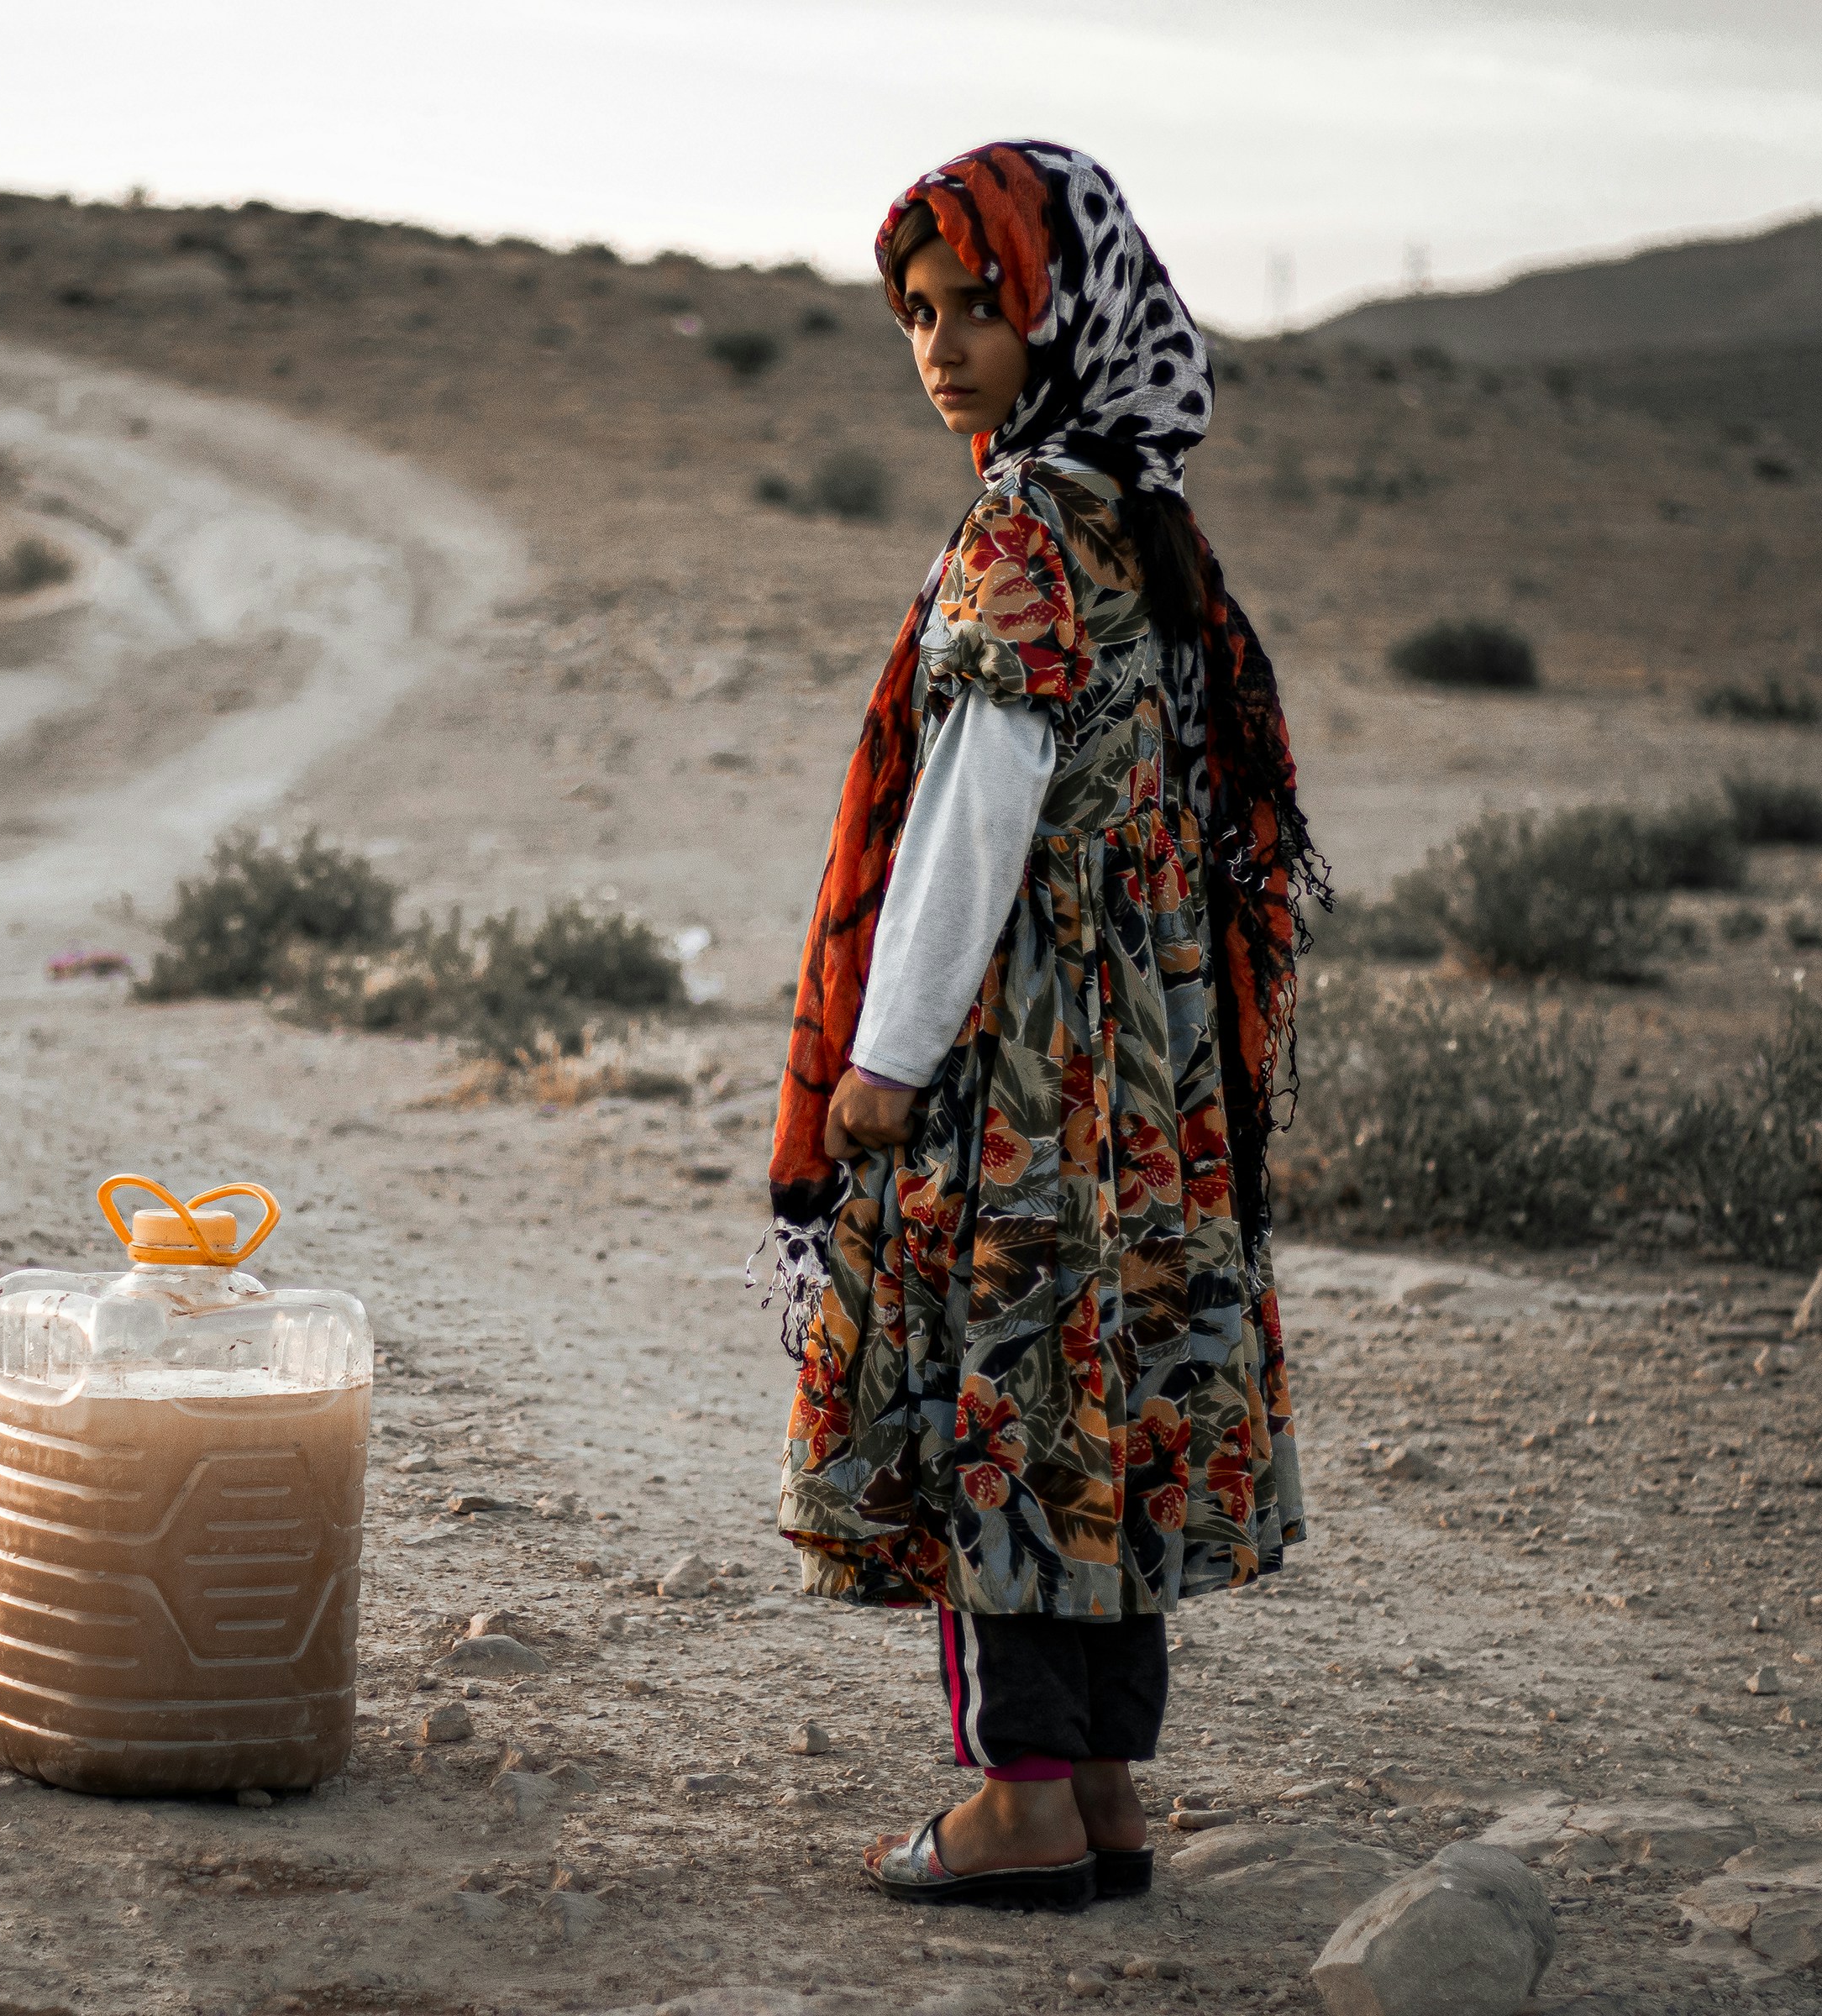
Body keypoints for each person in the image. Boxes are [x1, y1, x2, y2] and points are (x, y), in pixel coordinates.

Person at [757, 141, 1327, 1908]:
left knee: (999, 1385)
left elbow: (972, 818)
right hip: (1146, 1082)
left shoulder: (1021, 527)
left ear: (1061, 309)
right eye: (918, 316)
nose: (941, 347)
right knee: (1115, 1388)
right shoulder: (1133, 520)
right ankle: (1102, 1792)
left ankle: (1014, 1796)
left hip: (1020, 1061)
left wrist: (881, 1064)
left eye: (978, 308)